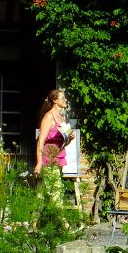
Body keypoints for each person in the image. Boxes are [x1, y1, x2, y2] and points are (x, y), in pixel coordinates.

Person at [34, 89, 74, 227]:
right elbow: (41, 141)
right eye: (62, 98)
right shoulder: (48, 117)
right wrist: (39, 163)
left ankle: (33, 224)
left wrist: (69, 139)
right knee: (56, 190)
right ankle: (65, 225)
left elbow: (63, 142)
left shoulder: (62, 119)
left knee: (42, 193)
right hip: (48, 157)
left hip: (58, 155)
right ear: (54, 100)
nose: (65, 100)